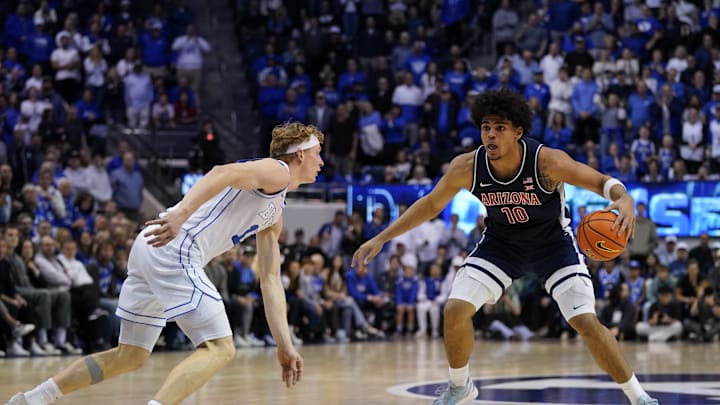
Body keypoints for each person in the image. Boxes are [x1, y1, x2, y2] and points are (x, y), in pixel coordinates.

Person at [352, 90, 658, 405]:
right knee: (455, 309)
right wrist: (381, 238)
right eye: (486, 127)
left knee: (586, 322)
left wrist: (624, 198)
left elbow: (599, 181)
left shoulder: (546, 162)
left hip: (552, 246)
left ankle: (639, 398)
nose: (491, 135)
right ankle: (460, 386)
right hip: (501, 246)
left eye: (500, 127)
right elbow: (430, 205)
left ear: (518, 132)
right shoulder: (467, 166)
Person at [7, 122, 324, 405]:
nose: (321, 162)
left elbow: (269, 280)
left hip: (151, 244)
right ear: (300, 154)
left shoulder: (275, 213)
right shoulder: (278, 171)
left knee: (130, 355)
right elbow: (220, 172)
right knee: (220, 348)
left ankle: (31, 400)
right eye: (317, 154)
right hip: (176, 244)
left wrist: (285, 345)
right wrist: (182, 213)